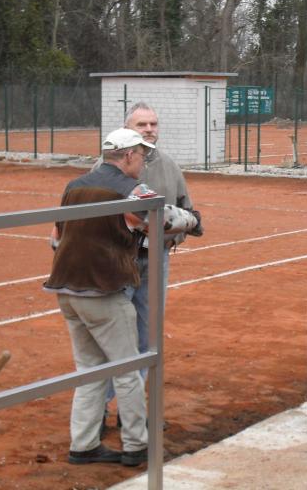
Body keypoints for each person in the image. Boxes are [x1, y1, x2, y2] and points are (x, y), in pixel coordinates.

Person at [44, 129, 155, 466]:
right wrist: (191, 220)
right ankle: (136, 445)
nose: (143, 162)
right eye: (141, 155)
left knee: (90, 369)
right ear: (129, 156)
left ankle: (84, 443)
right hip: (103, 290)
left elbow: (56, 237)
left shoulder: (74, 186)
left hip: (67, 288)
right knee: (127, 369)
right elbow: (162, 220)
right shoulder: (133, 189)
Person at [101, 103, 202, 430]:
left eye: (153, 124)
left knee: (147, 336)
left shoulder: (169, 165)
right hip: (119, 260)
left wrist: (177, 232)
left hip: (156, 260)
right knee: (113, 339)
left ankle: (131, 412)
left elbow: (187, 209)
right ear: (127, 129)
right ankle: (98, 410)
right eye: (141, 124)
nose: (149, 129)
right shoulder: (107, 166)